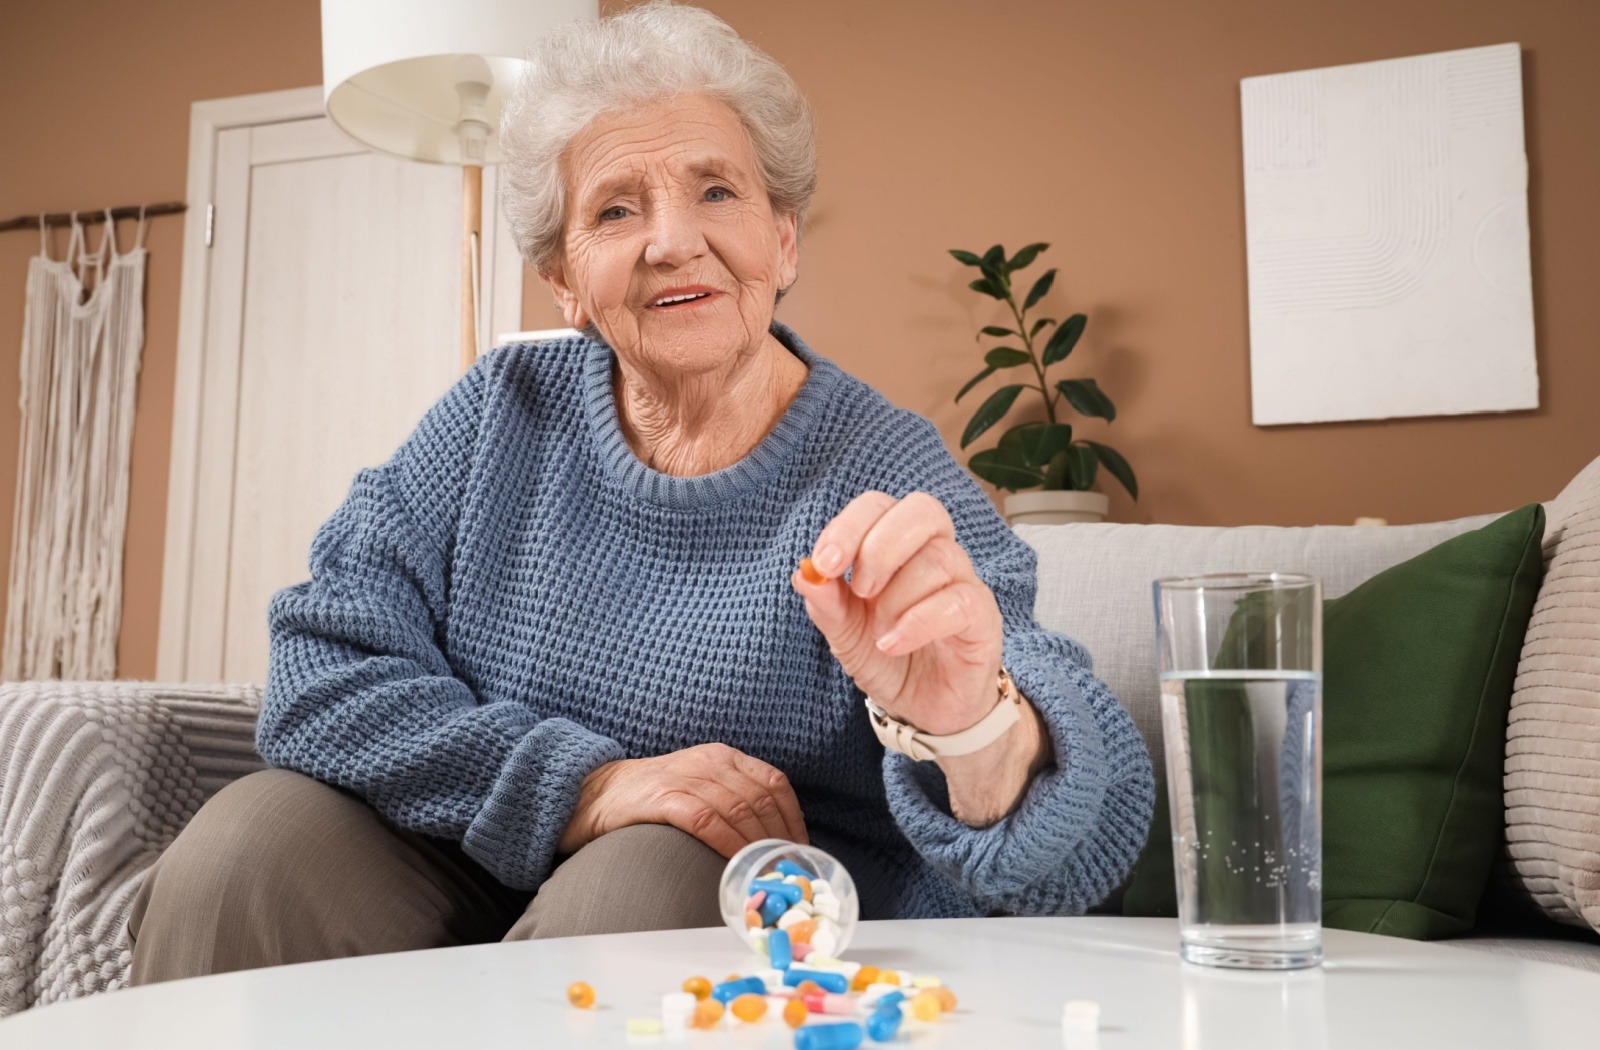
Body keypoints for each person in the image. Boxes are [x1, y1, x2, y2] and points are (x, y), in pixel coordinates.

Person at [126, 0, 1152, 985]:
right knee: (244, 848)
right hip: (464, 864)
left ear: (781, 240)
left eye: (717, 191)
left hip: (741, 904)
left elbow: (1087, 834)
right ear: (564, 278)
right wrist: (584, 785)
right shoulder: (496, 414)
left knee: (646, 878)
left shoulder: (880, 466)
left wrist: (974, 728)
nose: (672, 240)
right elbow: (319, 667)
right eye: (617, 208)